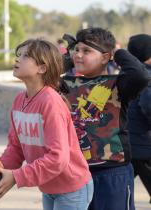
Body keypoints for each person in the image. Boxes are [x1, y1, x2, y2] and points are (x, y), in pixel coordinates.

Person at [0, 38, 93, 210]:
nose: (17, 59)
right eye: (18, 54)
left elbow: (57, 158)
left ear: (42, 68)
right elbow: (16, 148)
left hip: (72, 188)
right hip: (48, 186)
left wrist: (17, 177)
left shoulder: (51, 102)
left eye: (26, 56)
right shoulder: (19, 100)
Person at [60, 28, 150, 210]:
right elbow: (44, 74)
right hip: (75, 172)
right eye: (76, 50)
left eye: (87, 51)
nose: (79, 55)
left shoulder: (118, 84)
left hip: (112, 172)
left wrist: (117, 53)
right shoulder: (65, 84)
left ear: (105, 57)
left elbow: (140, 75)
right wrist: (71, 59)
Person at [127, 34, 151, 205]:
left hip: (128, 145)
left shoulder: (129, 74)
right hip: (145, 146)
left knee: (122, 193)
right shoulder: (147, 76)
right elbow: (148, 105)